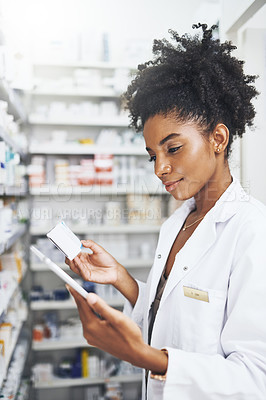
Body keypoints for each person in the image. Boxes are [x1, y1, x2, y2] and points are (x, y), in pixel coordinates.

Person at [65, 23, 266, 399]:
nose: (159, 168)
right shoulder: (178, 222)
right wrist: (123, 280)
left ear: (217, 139)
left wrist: (148, 358)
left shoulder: (253, 233)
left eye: (173, 149)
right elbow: (170, 314)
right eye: (152, 155)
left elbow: (256, 379)